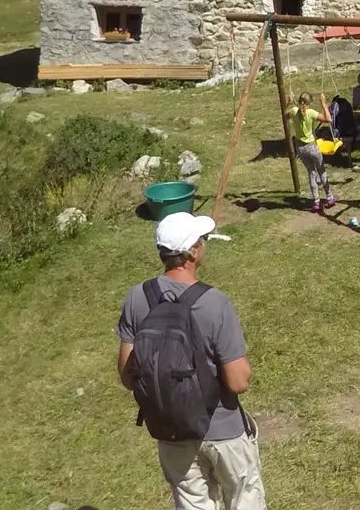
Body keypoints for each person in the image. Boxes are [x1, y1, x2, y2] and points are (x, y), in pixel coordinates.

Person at [117, 211, 266, 510]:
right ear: (193, 252)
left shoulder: (137, 297)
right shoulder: (214, 302)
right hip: (222, 430)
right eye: (202, 240)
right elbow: (238, 380)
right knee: (243, 499)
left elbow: (127, 375)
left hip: (170, 431)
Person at [286, 93, 335, 211]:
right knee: (321, 170)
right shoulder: (311, 113)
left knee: (311, 173)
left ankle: (316, 201)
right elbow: (329, 119)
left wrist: (289, 102)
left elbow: (285, 115)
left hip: (301, 148)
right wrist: (324, 104)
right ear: (310, 103)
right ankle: (329, 197)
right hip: (312, 146)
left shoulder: (293, 111)